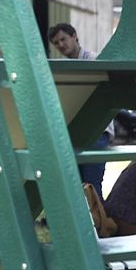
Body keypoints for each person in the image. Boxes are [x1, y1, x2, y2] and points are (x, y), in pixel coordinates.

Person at [48, 22, 111, 194]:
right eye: (56, 43)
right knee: (74, 186)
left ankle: (98, 221)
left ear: (74, 36)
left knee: (92, 186)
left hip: (97, 130)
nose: (60, 45)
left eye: (63, 39)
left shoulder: (94, 60)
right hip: (74, 131)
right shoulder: (64, 67)